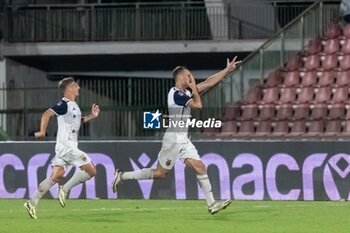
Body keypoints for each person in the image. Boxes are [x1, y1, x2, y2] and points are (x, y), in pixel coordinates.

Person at [112, 57, 241, 214]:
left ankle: (212, 204)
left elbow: (208, 82)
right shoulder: (175, 95)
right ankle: (122, 176)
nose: (191, 78)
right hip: (173, 140)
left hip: (183, 140)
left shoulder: (185, 92)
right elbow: (198, 105)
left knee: (200, 167)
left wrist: (226, 70)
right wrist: (194, 88)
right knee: (160, 173)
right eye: (188, 75)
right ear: (180, 77)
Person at [24, 77, 100, 219]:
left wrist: (93, 116)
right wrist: (41, 132)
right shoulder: (64, 104)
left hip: (62, 148)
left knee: (56, 176)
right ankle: (64, 190)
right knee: (91, 171)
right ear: (69, 88)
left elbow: (80, 120)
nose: (78, 88)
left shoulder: (73, 106)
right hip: (68, 147)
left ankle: (32, 203)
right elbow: (47, 113)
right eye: (76, 85)